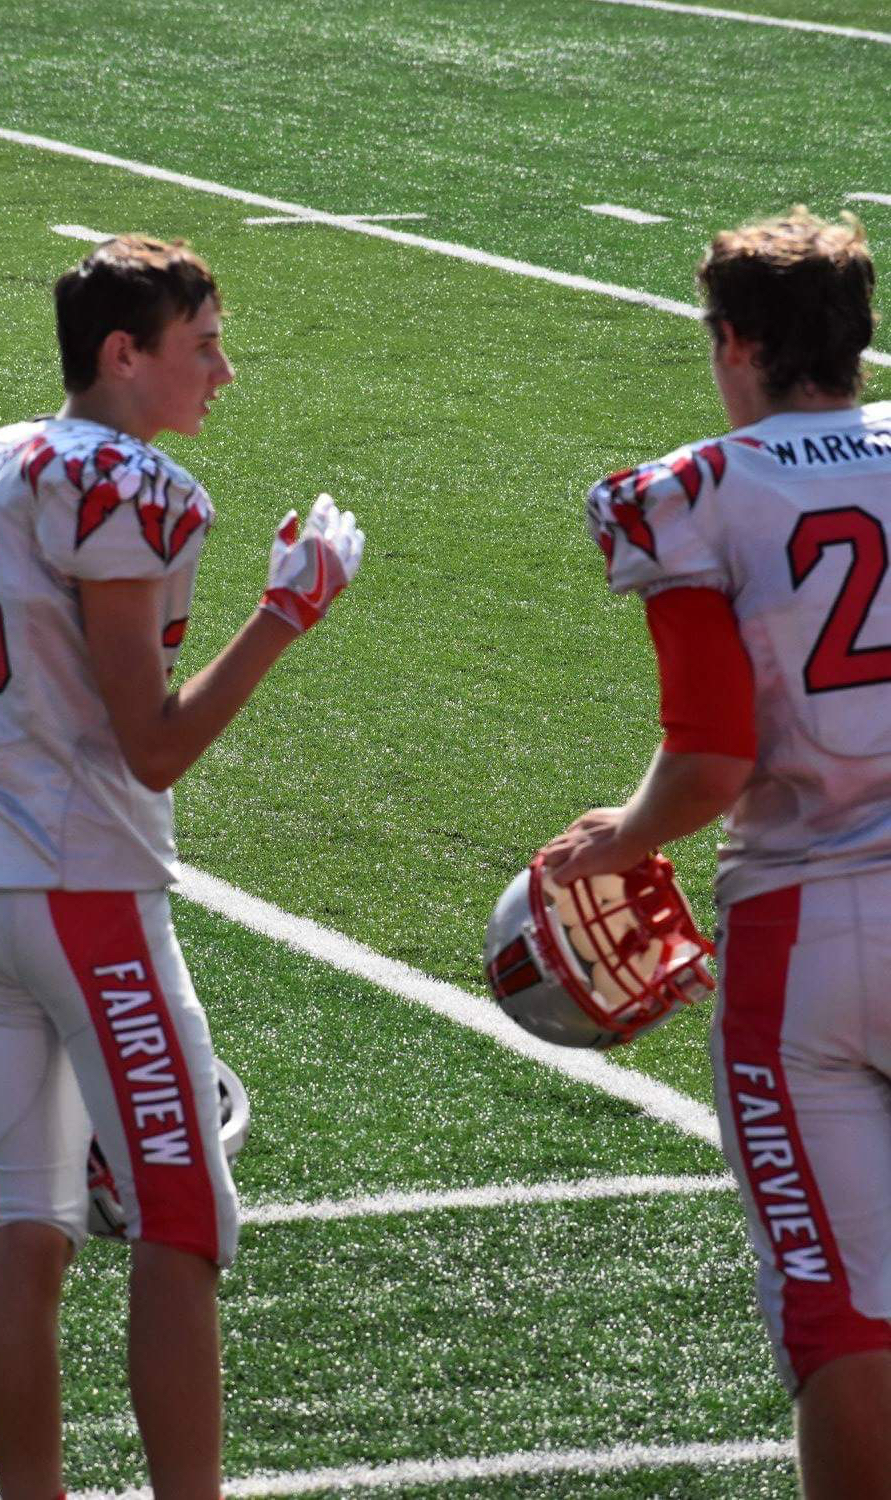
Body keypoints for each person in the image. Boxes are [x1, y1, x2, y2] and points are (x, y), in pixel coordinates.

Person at [0, 234, 364, 1500]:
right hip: (84, 893)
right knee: (182, 1225)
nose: (224, 372)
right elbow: (154, 745)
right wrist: (285, 613)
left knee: (28, 1226)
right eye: (203, 345)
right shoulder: (126, 484)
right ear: (125, 354)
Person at [540, 208, 891, 1498]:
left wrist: (619, 839)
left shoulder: (687, 494)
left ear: (735, 342)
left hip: (808, 936)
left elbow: (709, 760)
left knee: (841, 1315)